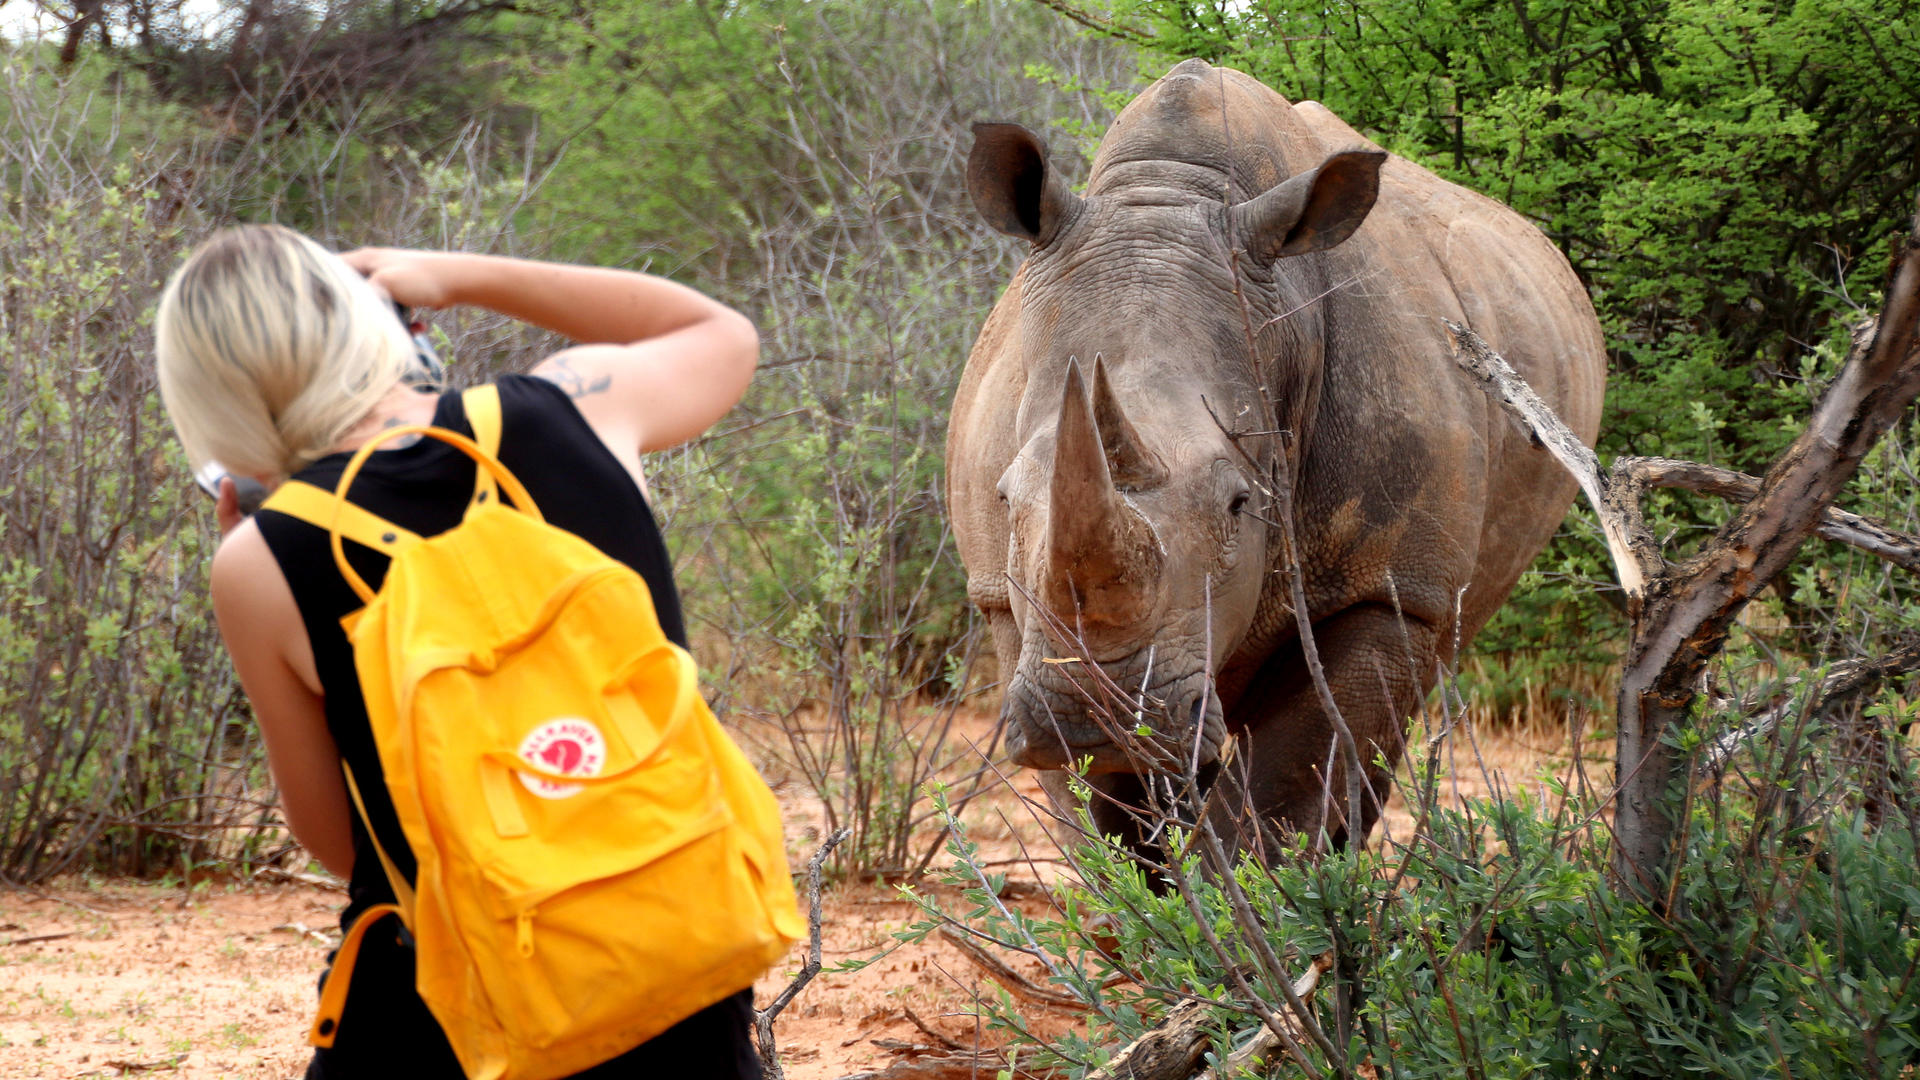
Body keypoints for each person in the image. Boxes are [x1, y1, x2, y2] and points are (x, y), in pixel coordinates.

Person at [153, 224, 764, 1078]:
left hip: (450, 1000)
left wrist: (259, 537)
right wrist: (449, 275)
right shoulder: (568, 411)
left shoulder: (261, 560)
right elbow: (721, 336)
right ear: (372, 322)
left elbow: (341, 840)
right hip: (672, 960)